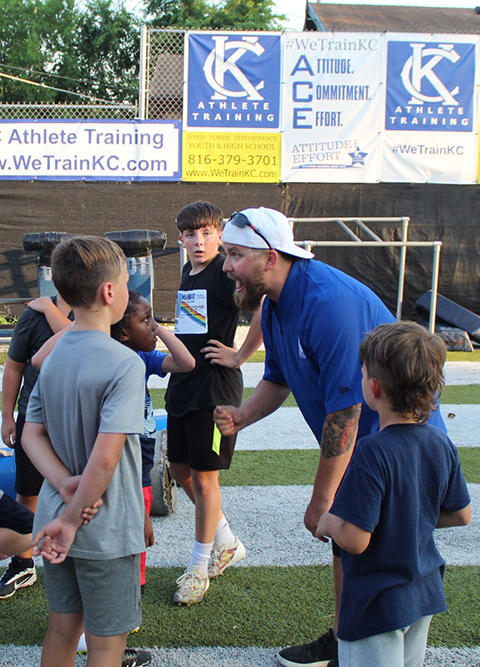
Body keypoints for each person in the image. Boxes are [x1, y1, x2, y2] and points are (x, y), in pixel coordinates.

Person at [213, 207, 447, 667]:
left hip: (397, 445)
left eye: (235, 255)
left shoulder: (326, 302)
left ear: (271, 257)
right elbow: (278, 379)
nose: (226, 267)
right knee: (350, 544)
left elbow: (347, 412)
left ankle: (367, 644)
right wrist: (242, 417)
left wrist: (321, 501)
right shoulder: (274, 304)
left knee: (369, 548)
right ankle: (346, 639)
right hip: (367, 445)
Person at [21, 235, 150, 667]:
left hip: (54, 515)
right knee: (106, 644)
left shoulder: (52, 358)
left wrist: (63, 486)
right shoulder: (124, 363)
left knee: (62, 627)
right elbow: (107, 456)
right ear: (110, 292)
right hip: (103, 527)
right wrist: (74, 518)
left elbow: (30, 434)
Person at [316, 322, 471, 667]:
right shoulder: (440, 441)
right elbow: (461, 514)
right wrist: (410, 518)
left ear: (373, 388)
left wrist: (328, 522)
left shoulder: (372, 451)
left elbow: (355, 540)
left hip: (377, 601)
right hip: (423, 592)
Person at [165, 201, 263, 605]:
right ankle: (226, 540)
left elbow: (264, 310)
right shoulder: (189, 270)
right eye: (191, 234)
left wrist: (240, 355)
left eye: (207, 233)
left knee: (206, 480)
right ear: (181, 239)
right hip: (185, 385)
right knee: (178, 468)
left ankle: (198, 568)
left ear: (220, 235)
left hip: (216, 391)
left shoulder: (226, 273)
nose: (199, 241)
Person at [111, 290, 195, 592]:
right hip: (119, 453)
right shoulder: (114, 360)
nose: (153, 326)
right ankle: (119, 576)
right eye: (145, 321)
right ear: (123, 332)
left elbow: (186, 362)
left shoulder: (144, 356)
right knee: (121, 518)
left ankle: (138, 579)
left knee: (141, 515)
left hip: (144, 454)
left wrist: (157, 328)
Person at [0, 294, 72, 599]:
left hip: (78, 421)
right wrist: (8, 416)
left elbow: (82, 333)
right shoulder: (34, 314)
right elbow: (15, 366)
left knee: (81, 490)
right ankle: (23, 562)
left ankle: (80, 561)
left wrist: (50, 309)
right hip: (35, 419)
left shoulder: (98, 309)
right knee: (27, 490)